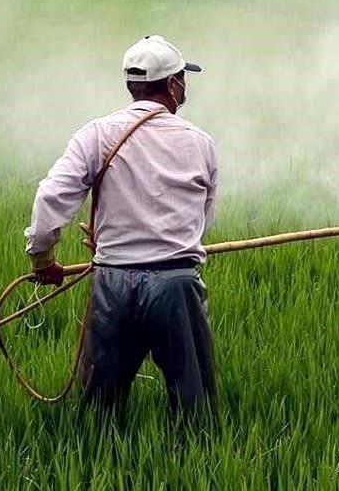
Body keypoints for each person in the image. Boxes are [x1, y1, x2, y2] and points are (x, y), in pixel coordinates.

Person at [23, 35, 218, 423]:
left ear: (133, 86)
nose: (184, 87)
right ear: (173, 85)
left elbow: (51, 198)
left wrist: (43, 259)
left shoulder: (96, 134)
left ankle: (95, 462)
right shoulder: (200, 143)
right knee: (195, 409)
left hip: (113, 282)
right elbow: (202, 220)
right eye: (183, 78)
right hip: (176, 283)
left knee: (101, 410)